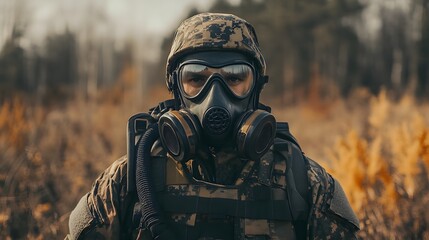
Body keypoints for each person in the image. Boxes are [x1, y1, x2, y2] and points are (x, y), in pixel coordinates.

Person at [66, 12, 359, 240]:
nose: (214, 97)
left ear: (255, 87)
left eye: (234, 79)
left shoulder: (305, 182)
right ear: (175, 88)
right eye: (196, 79)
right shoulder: (130, 178)